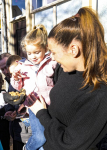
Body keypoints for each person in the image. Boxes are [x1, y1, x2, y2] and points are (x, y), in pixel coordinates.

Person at [26, 7, 107, 150]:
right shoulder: (64, 70)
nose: (51, 57)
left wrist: (41, 113)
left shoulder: (98, 94)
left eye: (54, 52)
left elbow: (68, 144)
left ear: (73, 50)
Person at [7, 23, 57, 148]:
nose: (32, 56)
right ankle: (27, 148)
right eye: (29, 53)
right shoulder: (22, 66)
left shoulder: (52, 62)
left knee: (51, 137)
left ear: (46, 48)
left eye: (36, 52)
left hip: (52, 106)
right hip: (34, 106)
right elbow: (18, 87)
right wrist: (16, 79)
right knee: (40, 137)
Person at [0, 53, 32, 150]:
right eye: (2, 69)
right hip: (17, 132)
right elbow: (11, 102)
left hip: (29, 132)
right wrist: (9, 111)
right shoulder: (11, 81)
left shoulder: (29, 77)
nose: (6, 71)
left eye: (6, 67)